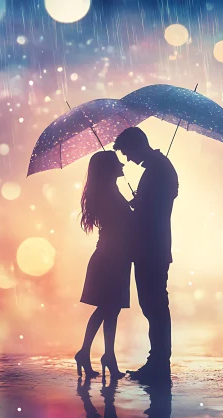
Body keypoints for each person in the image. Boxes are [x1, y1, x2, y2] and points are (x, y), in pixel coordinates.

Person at [113, 127, 178, 382]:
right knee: (154, 306)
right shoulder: (158, 169)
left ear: (138, 145)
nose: (127, 159)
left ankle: (159, 364)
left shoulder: (158, 171)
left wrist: (136, 206)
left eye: (128, 153)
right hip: (153, 246)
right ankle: (158, 361)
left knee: (155, 307)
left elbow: (153, 211)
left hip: (152, 246)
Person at [75, 151, 133, 380]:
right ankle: (94, 354)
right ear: (109, 168)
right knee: (108, 308)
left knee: (110, 309)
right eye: (117, 162)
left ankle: (102, 354)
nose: (122, 164)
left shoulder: (108, 191)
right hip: (111, 258)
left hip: (113, 257)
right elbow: (122, 224)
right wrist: (135, 208)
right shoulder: (108, 193)